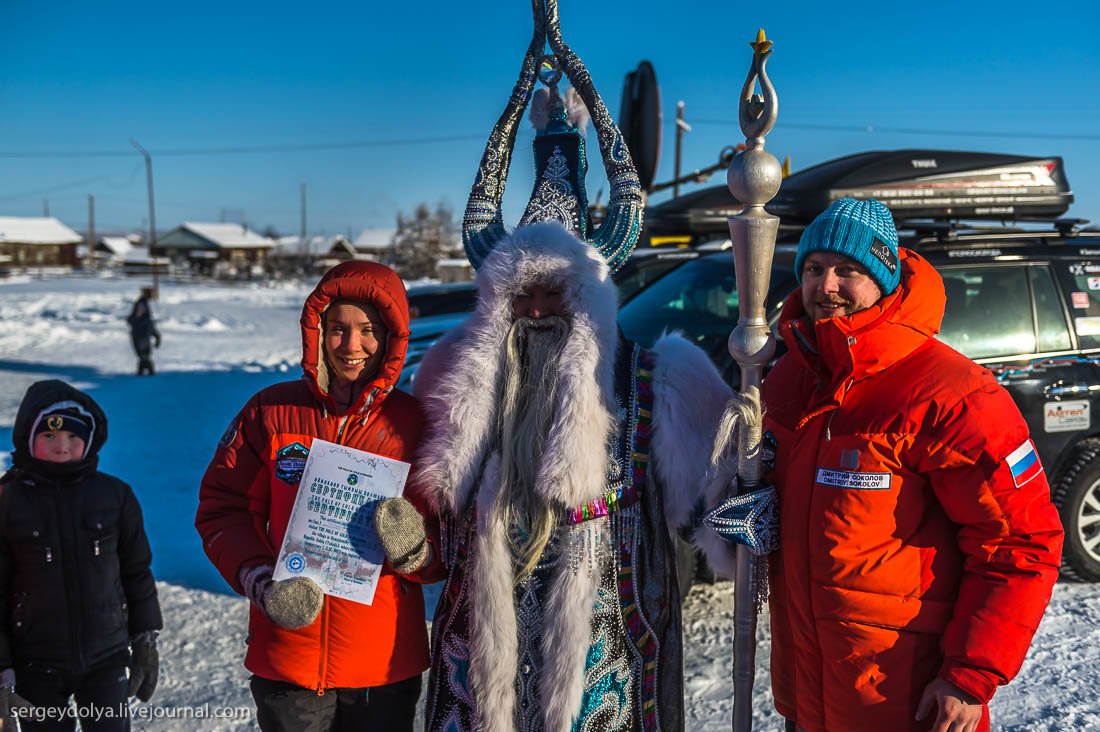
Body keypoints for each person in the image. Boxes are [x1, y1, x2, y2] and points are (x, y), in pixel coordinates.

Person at [761, 198, 1064, 732]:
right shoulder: (787, 381)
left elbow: (1021, 542)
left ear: (883, 278)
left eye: (847, 270)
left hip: (905, 700)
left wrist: (970, 674)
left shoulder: (952, 393)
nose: (825, 285)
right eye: (813, 269)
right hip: (807, 694)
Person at [194, 260, 442, 732]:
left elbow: (458, 536)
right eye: (337, 329)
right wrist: (262, 582)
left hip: (383, 665)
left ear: (393, 337)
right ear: (316, 331)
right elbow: (223, 509)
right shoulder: (271, 412)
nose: (352, 346)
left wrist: (417, 552)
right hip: (289, 656)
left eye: (368, 330)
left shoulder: (418, 424)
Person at [0, 379, 162, 731]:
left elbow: (136, 572)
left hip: (105, 657)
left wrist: (145, 636)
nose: (62, 446)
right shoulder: (7, 502)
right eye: (49, 437)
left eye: (74, 437)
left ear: (89, 441)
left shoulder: (115, 496)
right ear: (28, 438)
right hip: (35, 663)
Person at [126, 287, 161, 376]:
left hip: (144, 334)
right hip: (139, 334)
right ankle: (148, 372)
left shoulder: (144, 303)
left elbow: (147, 321)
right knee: (143, 355)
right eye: (150, 293)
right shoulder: (141, 303)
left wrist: (156, 334)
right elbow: (134, 319)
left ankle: (143, 373)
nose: (152, 295)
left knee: (145, 355)